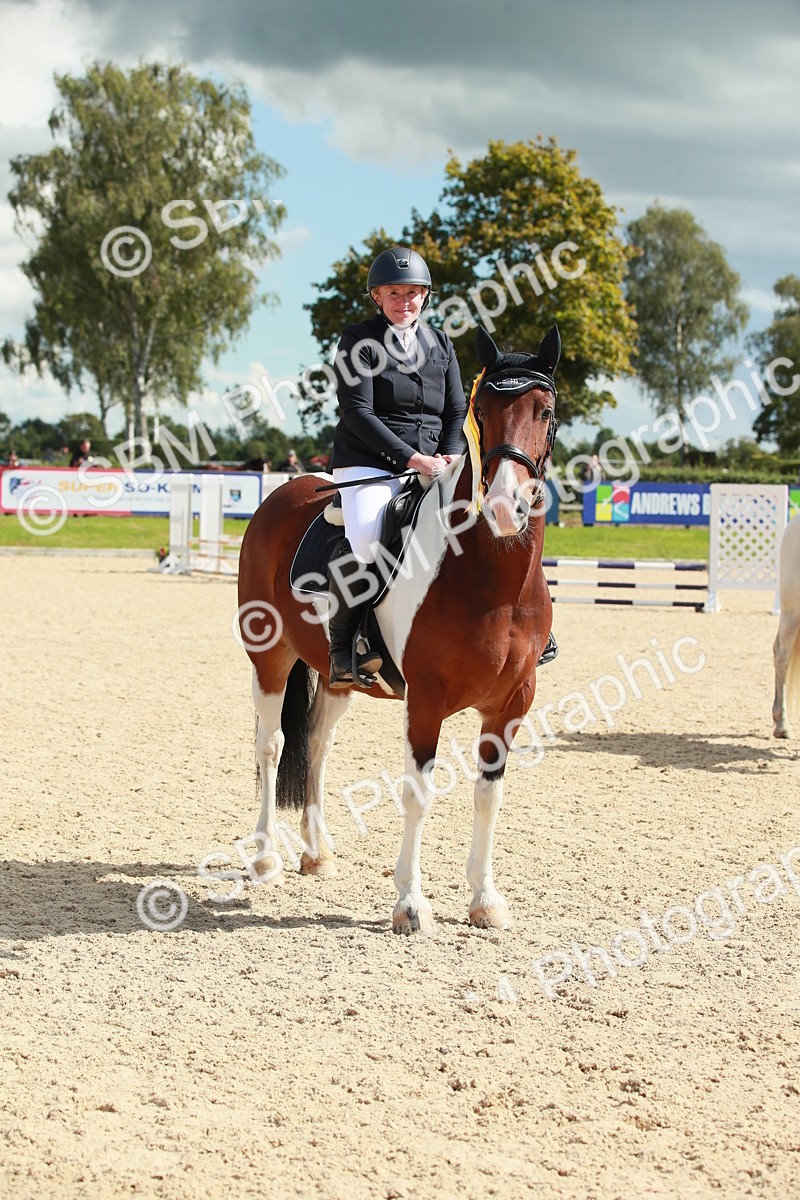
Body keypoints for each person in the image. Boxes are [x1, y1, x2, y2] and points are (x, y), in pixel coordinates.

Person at [327, 245, 468, 689]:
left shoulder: (440, 342)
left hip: (435, 461)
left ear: (425, 296)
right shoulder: (357, 341)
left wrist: (445, 455)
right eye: (393, 293)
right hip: (370, 463)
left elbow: (456, 409)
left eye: (412, 293)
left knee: (487, 517)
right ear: (377, 297)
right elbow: (357, 412)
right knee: (369, 541)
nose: (404, 302)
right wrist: (412, 459)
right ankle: (344, 644)